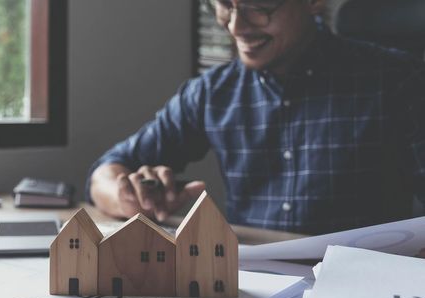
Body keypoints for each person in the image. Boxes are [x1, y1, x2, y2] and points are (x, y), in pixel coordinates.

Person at [87, 0, 425, 235]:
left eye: (259, 6)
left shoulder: (396, 80)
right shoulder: (211, 93)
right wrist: (128, 197)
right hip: (250, 289)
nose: (236, 25)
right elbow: (108, 169)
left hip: (357, 292)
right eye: (225, 4)